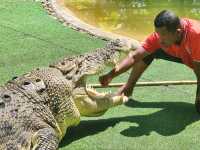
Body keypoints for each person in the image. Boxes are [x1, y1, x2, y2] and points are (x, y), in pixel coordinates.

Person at [99, 10, 200, 113]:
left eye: (163, 35)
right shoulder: (162, 36)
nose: (159, 39)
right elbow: (135, 56)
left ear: (178, 32)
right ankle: (128, 87)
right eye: (158, 33)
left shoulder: (196, 35)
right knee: (148, 51)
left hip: (197, 60)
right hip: (187, 55)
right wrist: (111, 75)